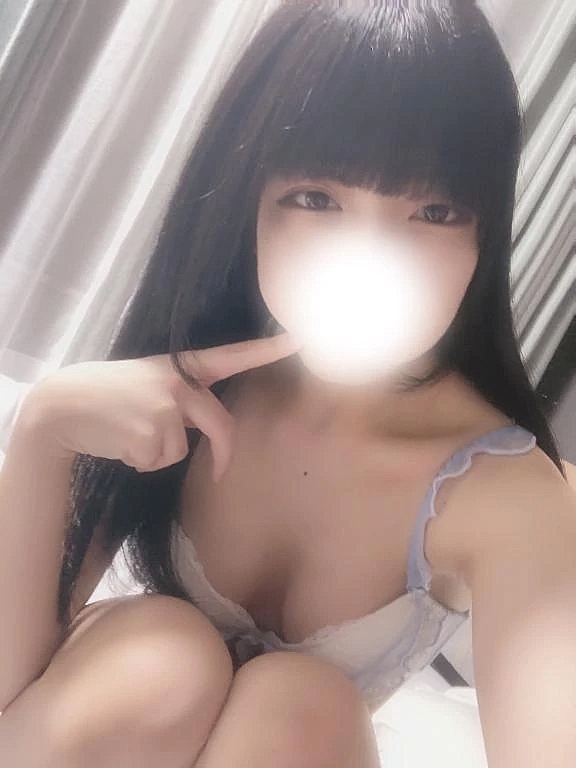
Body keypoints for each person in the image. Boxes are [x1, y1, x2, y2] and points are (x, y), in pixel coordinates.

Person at [0, 1, 571, 766]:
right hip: (114, 722)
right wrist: (45, 429)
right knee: (158, 658)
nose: (370, 262)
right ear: (249, 203)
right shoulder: (172, 393)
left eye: (434, 211)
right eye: (317, 199)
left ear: (484, 238)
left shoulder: (509, 497)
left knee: (300, 704)